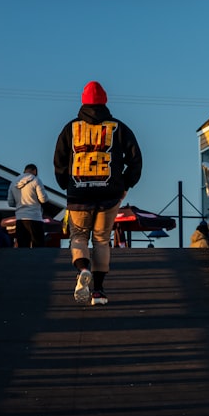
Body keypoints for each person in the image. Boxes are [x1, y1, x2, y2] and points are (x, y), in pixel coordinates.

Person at [53, 80, 143, 306]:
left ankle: (83, 269)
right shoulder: (119, 128)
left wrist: (66, 184)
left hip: (79, 194)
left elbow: (60, 160)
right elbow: (135, 160)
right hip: (109, 193)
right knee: (102, 240)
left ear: (83, 102)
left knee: (79, 237)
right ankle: (99, 292)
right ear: (105, 101)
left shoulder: (71, 128)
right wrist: (125, 185)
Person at [8, 164, 49, 248]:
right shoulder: (36, 180)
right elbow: (43, 199)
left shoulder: (13, 182)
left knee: (22, 247)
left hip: (20, 219)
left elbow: (10, 203)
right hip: (35, 218)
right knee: (38, 246)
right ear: (34, 171)